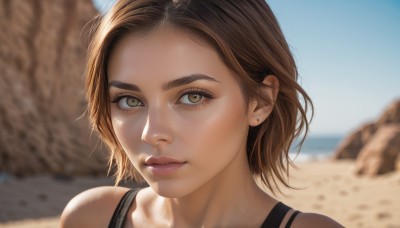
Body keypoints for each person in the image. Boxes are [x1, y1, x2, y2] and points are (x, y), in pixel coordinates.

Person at [60, 0, 342, 227]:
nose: (152, 132)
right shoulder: (89, 219)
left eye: (192, 97)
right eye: (129, 101)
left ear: (260, 101)